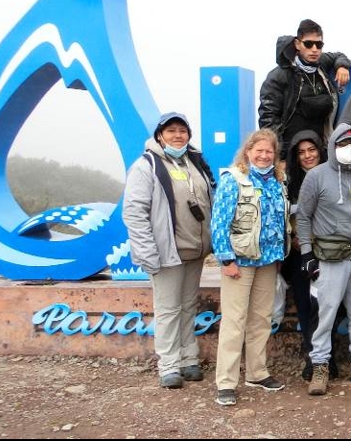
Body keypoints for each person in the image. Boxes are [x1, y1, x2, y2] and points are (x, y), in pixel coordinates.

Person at [123, 112, 216, 389]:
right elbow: (134, 212)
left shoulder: (195, 162)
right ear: (159, 135)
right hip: (166, 253)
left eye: (183, 131)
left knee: (188, 307)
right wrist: (147, 252)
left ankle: (189, 360)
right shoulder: (146, 166)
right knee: (167, 310)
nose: (178, 135)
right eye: (171, 130)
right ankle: (169, 366)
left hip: (194, 251)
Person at [295, 124, 351, 396]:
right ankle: (319, 366)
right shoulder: (316, 176)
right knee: (326, 313)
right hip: (330, 257)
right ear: (332, 146)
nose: (350, 150)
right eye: (343, 144)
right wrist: (307, 253)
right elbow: (304, 217)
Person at [210, 129, 291, 406]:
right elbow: (219, 221)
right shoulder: (233, 180)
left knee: (261, 319)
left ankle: (257, 372)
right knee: (234, 322)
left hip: (268, 261)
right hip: (240, 262)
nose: (264, 155)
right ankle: (226, 382)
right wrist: (226, 259)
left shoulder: (278, 182)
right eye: (259, 150)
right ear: (248, 152)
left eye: (269, 151)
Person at [258, 18, 351, 159]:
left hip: (321, 151)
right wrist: (281, 157)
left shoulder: (322, 64)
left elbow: (339, 55)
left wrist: (342, 66)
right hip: (291, 154)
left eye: (319, 44)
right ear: (297, 43)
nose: (314, 49)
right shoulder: (278, 76)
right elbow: (268, 121)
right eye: (308, 44)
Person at [279, 130, 326, 382]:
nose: (308, 156)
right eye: (301, 152)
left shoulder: (333, 176)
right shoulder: (287, 183)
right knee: (305, 306)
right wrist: (294, 239)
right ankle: (312, 357)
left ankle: (325, 358)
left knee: (326, 306)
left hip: (329, 253)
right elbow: (281, 217)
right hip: (298, 254)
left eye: (312, 150)